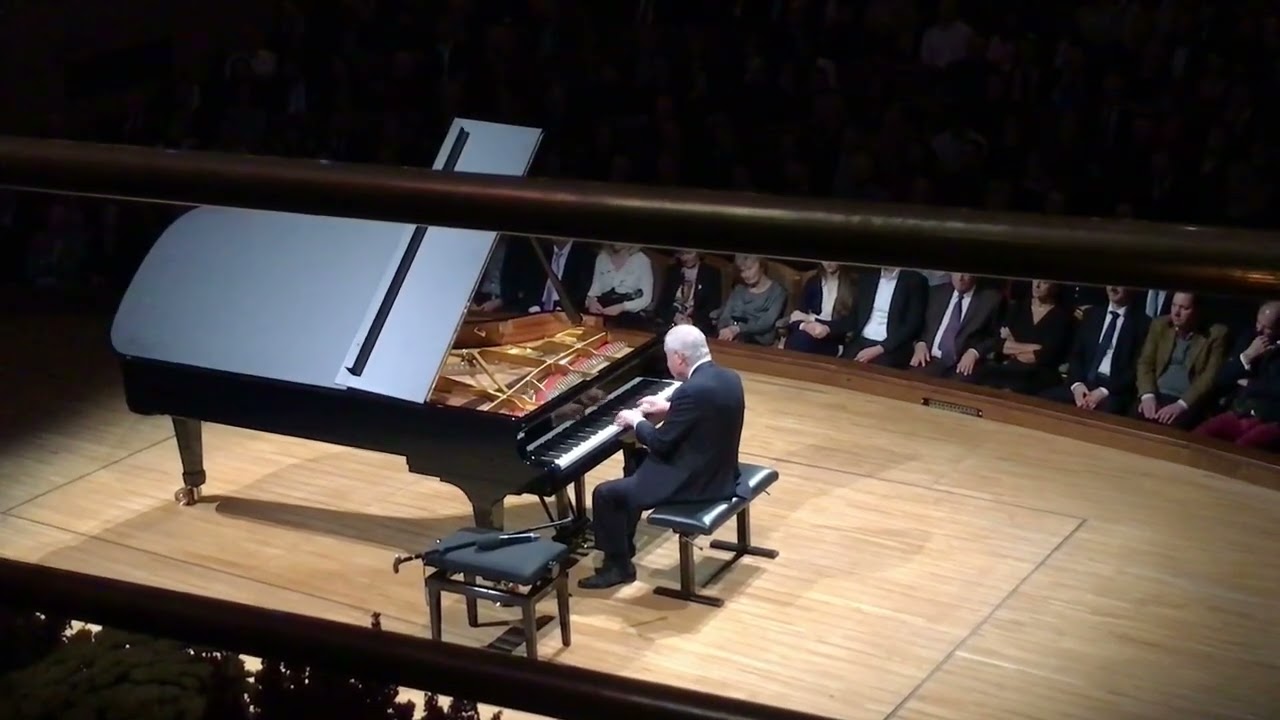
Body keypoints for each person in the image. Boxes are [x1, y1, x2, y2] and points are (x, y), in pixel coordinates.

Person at [577, 324, 746, 590]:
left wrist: (636, 421)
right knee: (634, 464)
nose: (668, 362)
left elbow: (661, 444)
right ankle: (624, 544)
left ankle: (617, 567)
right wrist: (669, 408)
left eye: (668, 356)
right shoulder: (728, 377)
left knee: (604, 494)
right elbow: (706, 412)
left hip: (697, 482)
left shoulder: (689, 390)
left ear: (679, 357)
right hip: (719, 469)